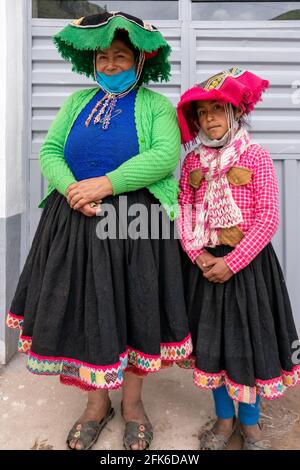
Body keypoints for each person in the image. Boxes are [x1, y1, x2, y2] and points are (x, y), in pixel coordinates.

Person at [6, 11, 192, 451]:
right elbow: (51, 149)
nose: (110, 65)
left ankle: (132, 406)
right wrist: (73, 189)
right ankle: (96, 405)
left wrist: (108, 183)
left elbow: (165, 155)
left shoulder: (156, 106)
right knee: (88, 309)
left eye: (121, 57)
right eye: (104, 57)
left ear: (140, 62)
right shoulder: (76, 102)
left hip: (133, 225)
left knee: (130, 308)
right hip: (73, 220)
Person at [176, 67, 300, 450]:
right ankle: (223, 420)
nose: (209, 118)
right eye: (202, 113)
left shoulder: (256, 157)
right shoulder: (193, 164)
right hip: (204, 268)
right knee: (212, 345)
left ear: (236, 113)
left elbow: (268, 217)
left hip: (248, 269)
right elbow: (185, 211)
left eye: (217, 109)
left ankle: (250, 423)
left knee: (248, 344)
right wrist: (198, 256)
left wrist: (233, 262)